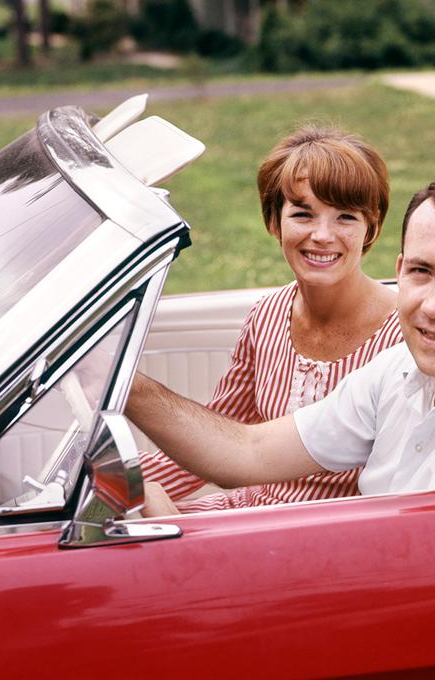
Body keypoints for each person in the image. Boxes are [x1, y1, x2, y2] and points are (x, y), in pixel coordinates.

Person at [128, 175, 435, 501]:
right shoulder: (401, 369)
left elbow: (414, 595)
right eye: (421, 272)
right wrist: (123, 382)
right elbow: (250, 453)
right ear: (400, 268)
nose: (433, 306)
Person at [140, 126, 403, 516]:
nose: (322, 235)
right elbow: (217, 437)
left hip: (340, 534)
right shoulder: (266, 315)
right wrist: (119, 482)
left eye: (345, 217)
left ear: (372, 227)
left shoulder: (403, 336)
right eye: (302, 214)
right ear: (274, 222)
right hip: (249, 511)